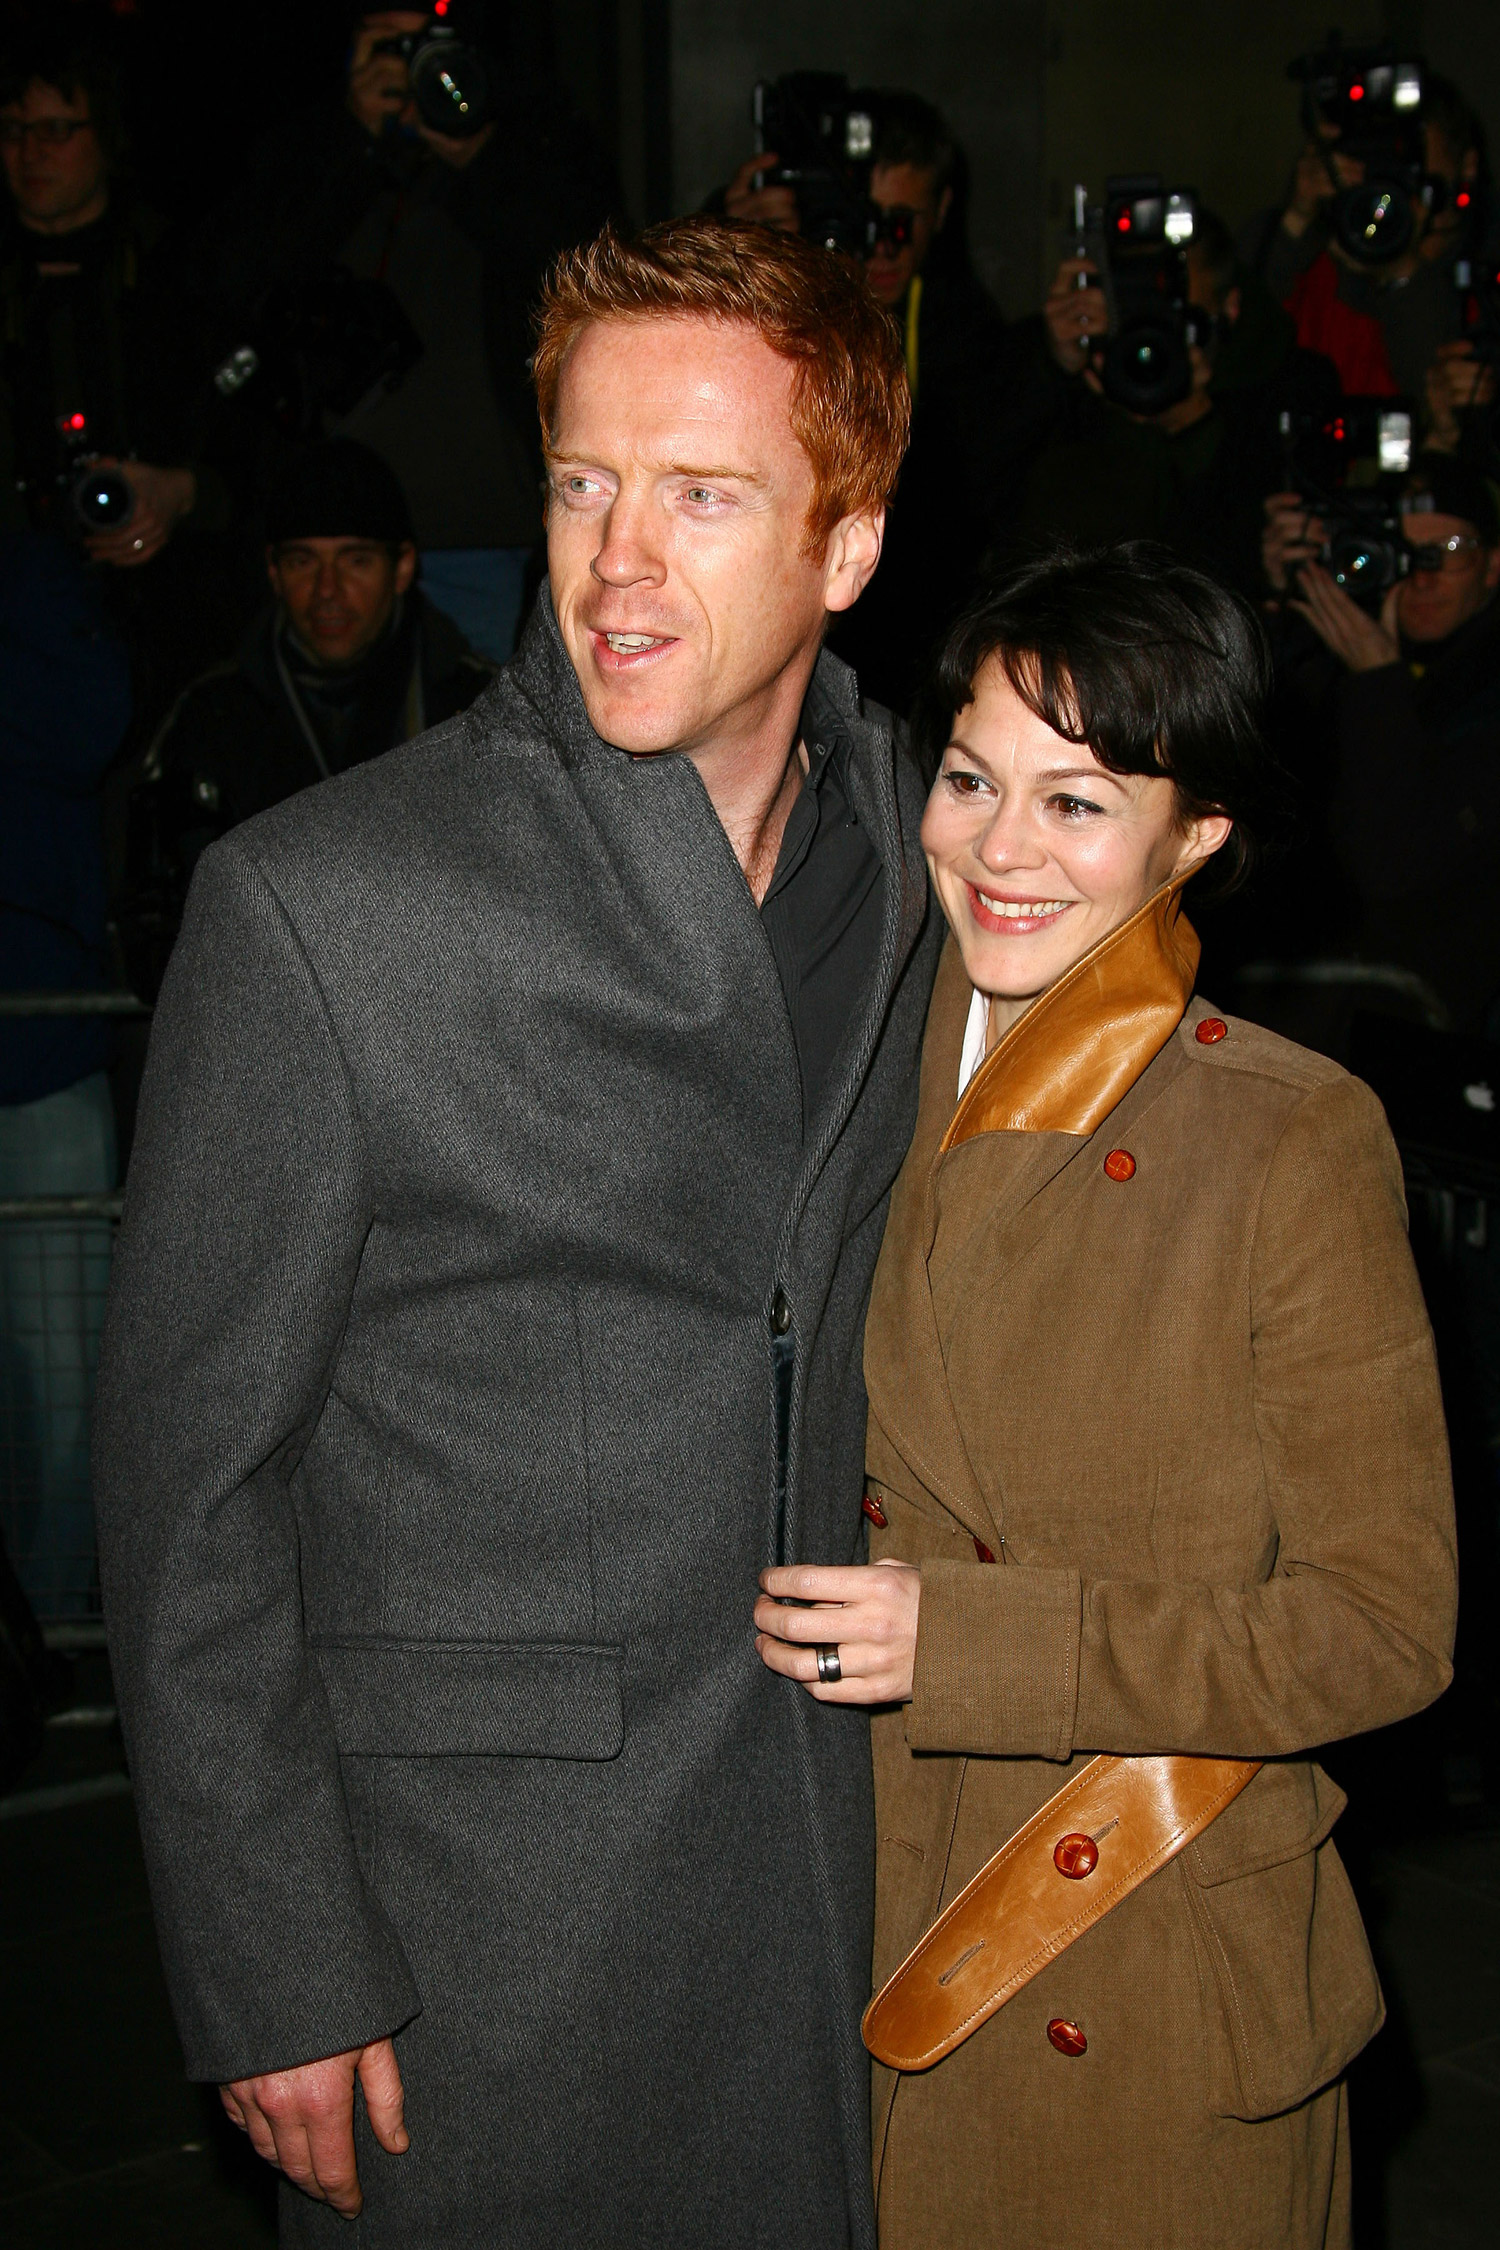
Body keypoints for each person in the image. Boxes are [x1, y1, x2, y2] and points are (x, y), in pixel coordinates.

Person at [93, 215, 941, 2246]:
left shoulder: (943, 858)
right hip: (482, 1919)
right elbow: (188, 1485)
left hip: (865, 1866)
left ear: (847, 545)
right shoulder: (328, 906)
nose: (617, 559)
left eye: (702, 495)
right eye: (581, 484)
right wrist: (277, 1962)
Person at [753, 544, 1457, 2247]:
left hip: (1139, 1958)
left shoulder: (1289, 1139)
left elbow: (1383, 1627)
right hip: (852, 1914)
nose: (1001, 848)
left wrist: (981, 1641)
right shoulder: (847, 1070)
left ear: (1195, 833)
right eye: (971, 779)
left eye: (1077, 803)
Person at [203, 9, 617, 663]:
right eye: (390, 44)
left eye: (428, 41)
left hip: (489, 538)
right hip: (333, 544)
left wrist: (476, 154)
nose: (416, 64)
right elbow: (240, 285)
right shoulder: (311, 148)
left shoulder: (535, 140)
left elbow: (588, 281)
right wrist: (353, 136)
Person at [118, 438, 493, 997]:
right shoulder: (211, 717)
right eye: (302, 562)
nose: (327, 591)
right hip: (265, 1026)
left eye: (356, 560)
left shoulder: (480, 708)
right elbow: (156, 936)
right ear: (273, 572)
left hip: (443, 1024)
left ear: (402, 567)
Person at [724, 92, 1048, 708]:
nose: (883, 248)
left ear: (942, 211)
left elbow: (973, 506)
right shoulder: (785, 306)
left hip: (918, 658)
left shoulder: (967, 331)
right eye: (864, 219)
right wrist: (741, 248)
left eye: (903, 223)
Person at [0, 25, 238, 716]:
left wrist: (183, 491)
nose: (31, 153)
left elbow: (249, 443)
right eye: (13, 131)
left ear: (105, 136)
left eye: (56, 130)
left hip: (168, 619)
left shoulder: (180, 274)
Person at [0, 531, 132, 1618]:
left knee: (63, 1388)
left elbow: (90, 727)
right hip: (41, 1035)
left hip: (36, 1050)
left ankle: (49, 1643)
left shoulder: (32, 573)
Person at [1262, 453, 1500, 1033]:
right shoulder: (1324, 656)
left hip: (1426, 1027)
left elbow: (1397, 867)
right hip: (1299, 1000)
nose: (1422, 576)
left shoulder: (1482, 694)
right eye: (1400, 550)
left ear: (1493, 567)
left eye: (1447, 552)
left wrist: (1377, 682)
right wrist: (1275, 604)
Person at [1021, 210, 1339, 597]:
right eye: (1136, 308)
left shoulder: (1292, 389)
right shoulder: (1081, 379)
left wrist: (1191, 425)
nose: (1154, 332)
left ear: (1229, 308)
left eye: (1174, 315)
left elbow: (1249, 571)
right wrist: (1054, 367)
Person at [1249, 73, 1482, 405]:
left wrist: (1401, 271)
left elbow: (1440, 404)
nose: (1395, 172)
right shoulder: (1317, 253)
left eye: (1412, 155)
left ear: (1466, 165)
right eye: (1381, 155)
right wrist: (1296, 221)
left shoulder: (1484, 274)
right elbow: (1243, 351)